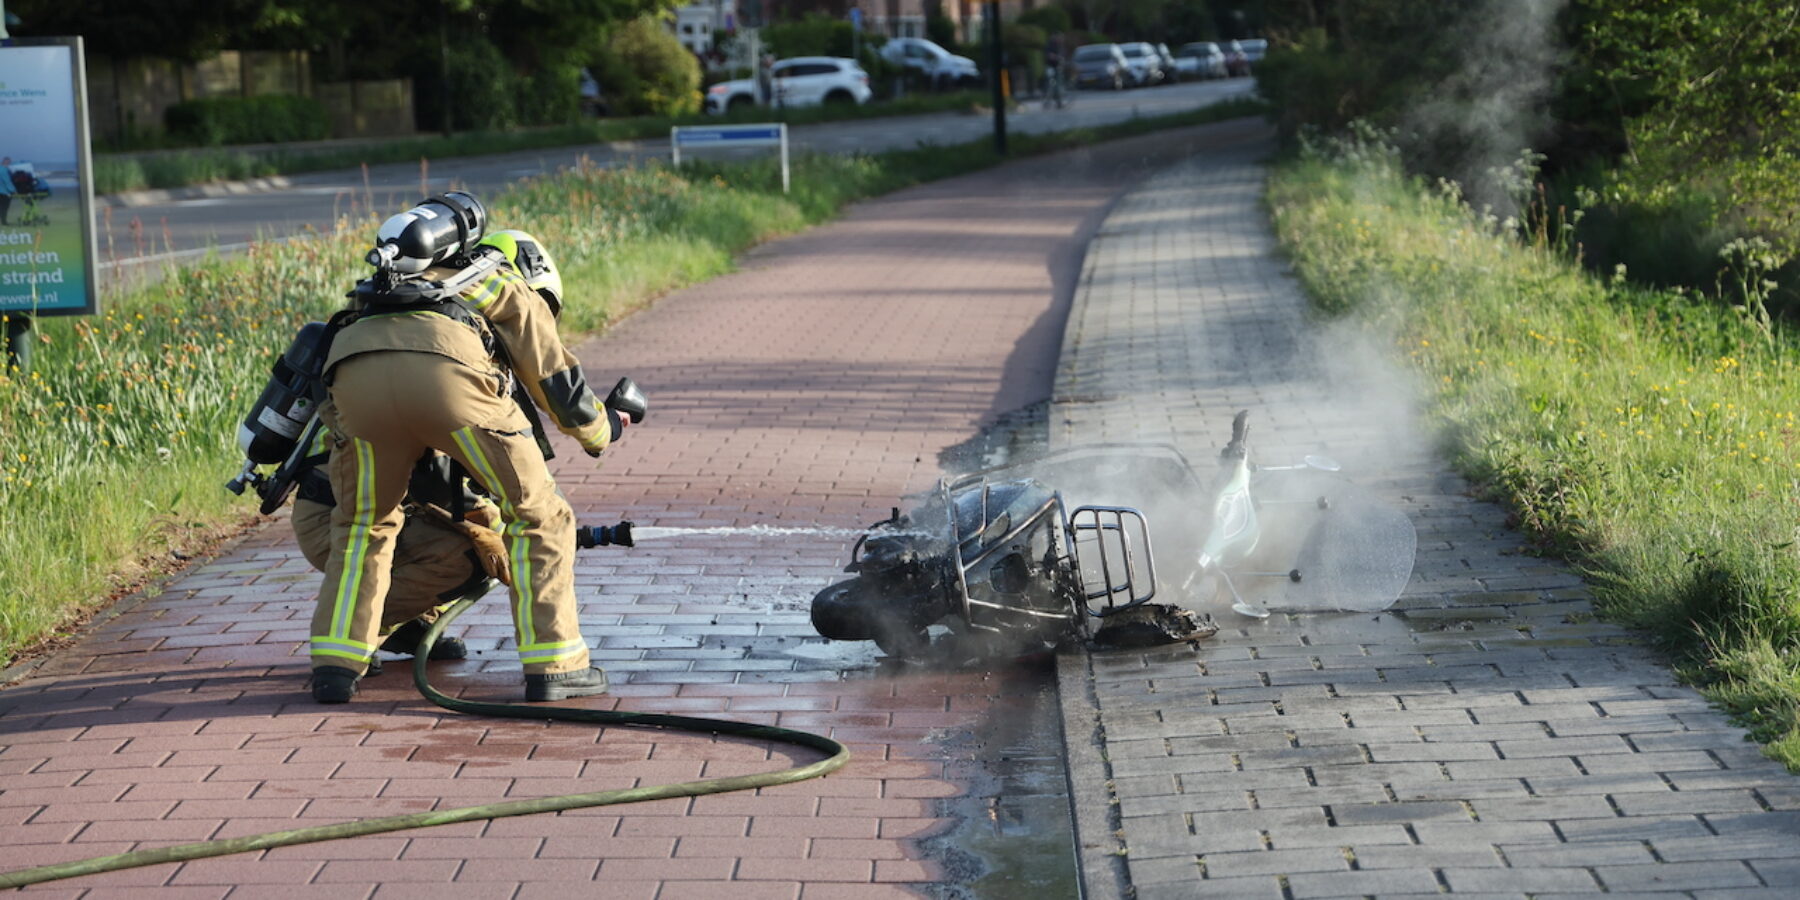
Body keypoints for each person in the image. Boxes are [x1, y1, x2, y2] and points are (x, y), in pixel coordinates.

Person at [307, 196, 635, 704]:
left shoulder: (386, 285)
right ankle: (555, 666)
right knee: (539, 516)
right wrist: (602, 430)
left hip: (356, 380)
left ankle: (336, 665)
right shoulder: (497, 280)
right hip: (448, 380)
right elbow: (556, 381)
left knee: (364, 524)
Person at [0, 157, 14, 226]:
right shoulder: (4, 170)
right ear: (5, 162)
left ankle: (3, 221)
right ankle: (4, 221)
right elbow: (7, 181)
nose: (9, 164)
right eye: (8, 162)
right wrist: (13, 190)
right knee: (4, 207)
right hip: (4, 192)